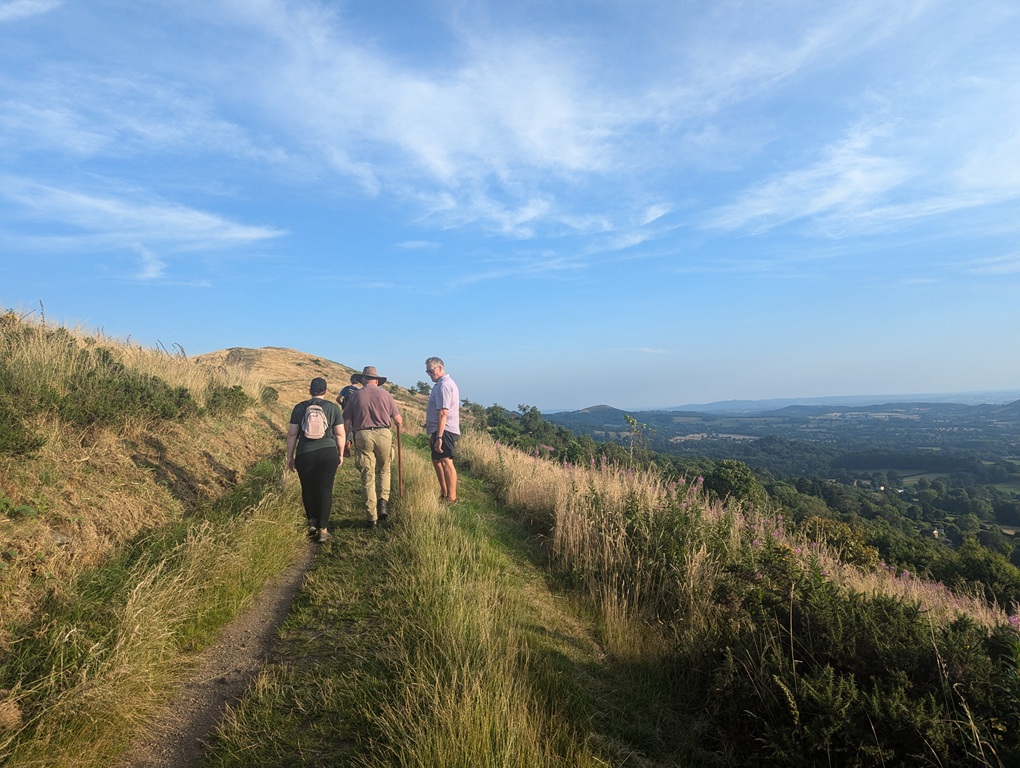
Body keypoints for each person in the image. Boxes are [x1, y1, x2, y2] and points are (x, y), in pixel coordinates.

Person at [343, 366, 403, 527]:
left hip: (362, 435)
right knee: (384, 469)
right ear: (376, 381)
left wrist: (345, 443)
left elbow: (346, 422)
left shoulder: (355, 396)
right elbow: (398, 421)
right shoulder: (386, 394)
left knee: (367, 475)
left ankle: (372, 518)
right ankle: (383, 501)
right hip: (383, 434)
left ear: (363, 380)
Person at [287, 377, 345, 543]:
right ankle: (323, 529)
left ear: (310, 390)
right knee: (325, 489)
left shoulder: (299, 408)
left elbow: (292, 434)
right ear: (325, 391)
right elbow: (340, 434)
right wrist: (340, 454)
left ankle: (311, 522)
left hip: (305, 453)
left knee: (307, 488)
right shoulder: (333, 408)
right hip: (328, 453)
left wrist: (290, 457)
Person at [425, 357, 460, 503]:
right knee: (437, 460)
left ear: (440, 368)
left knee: (446, 460)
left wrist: (439, 437)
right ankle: (444, 493)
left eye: (431, 370)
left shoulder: (444, 385)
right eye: (427, 371)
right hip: (439, 429)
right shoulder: (440, 384)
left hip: (445, 429)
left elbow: (443, 412)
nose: (429, 373)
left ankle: (451, 498)